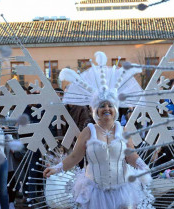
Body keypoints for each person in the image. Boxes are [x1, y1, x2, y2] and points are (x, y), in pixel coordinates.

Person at [43, 52, 154, 209]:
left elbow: (131, 155)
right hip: (94, 192)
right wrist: (57, 168)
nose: (106, 109)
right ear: (95, 109)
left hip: (122, 191)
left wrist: (142, 166)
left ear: (115, 108)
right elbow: (75, 157)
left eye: (110, 105)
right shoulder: (88, 131)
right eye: (102, 105)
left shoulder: (123, 130)